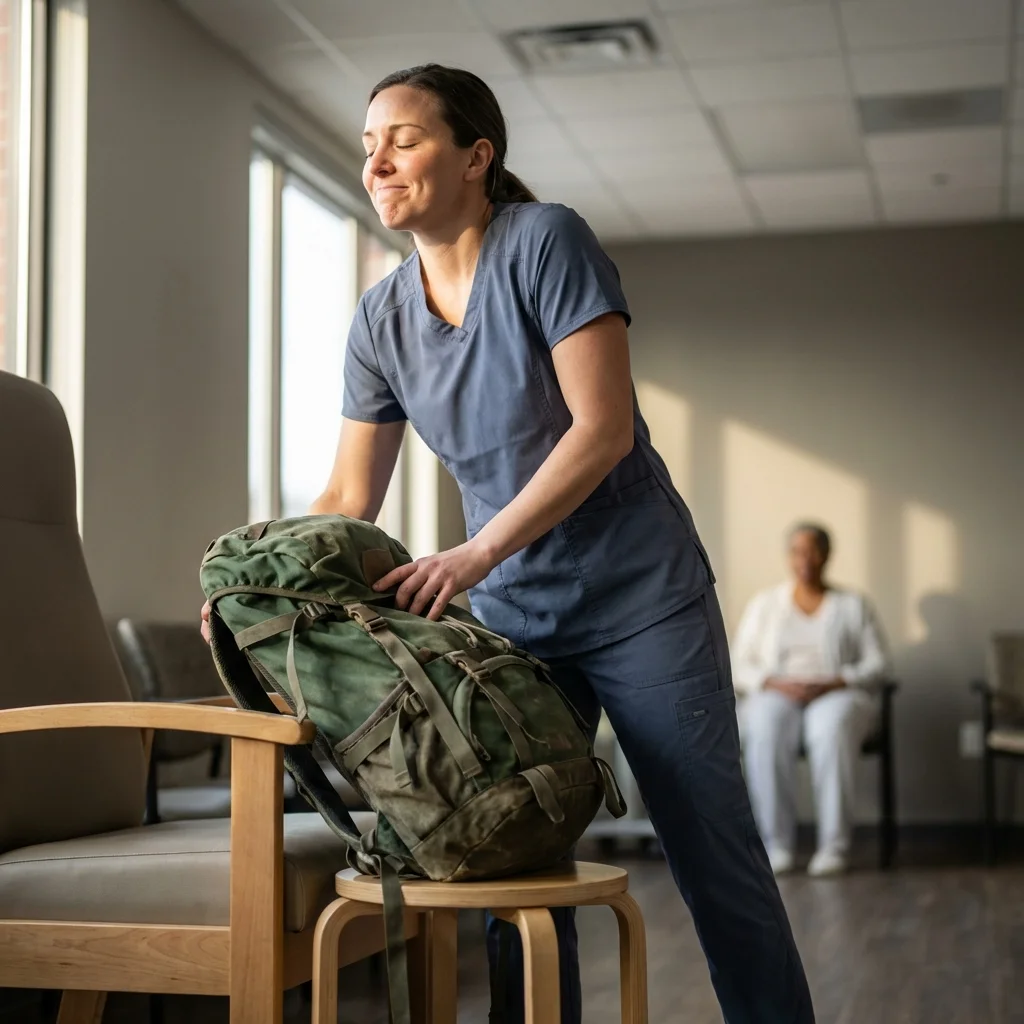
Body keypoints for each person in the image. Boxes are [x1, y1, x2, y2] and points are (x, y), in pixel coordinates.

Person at [203, 64, 814, 1023]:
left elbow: (602, 428)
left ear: (477, 156)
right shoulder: (380, 318)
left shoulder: (545, 242)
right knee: (508, 849)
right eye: (368, 145)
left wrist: (474, 554)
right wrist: (253, 587)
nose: (378, 160)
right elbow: (348, 497)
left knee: (710, 848)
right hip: (515, 620)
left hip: (639, 596)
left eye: (402, 138)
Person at [734, 523, 890, 878]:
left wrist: (839, 679)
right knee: (764, 725)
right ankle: (778, 845)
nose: (806, 559)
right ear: (789, 557)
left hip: (836, 692)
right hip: (779, 691)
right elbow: (739, 662)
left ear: (827, 555)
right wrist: (773, 682)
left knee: (830, 727)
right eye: (798, 551)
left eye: (814, 550)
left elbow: (880, 663)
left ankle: (834, 847)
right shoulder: (765, 604)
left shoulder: (854, 604)